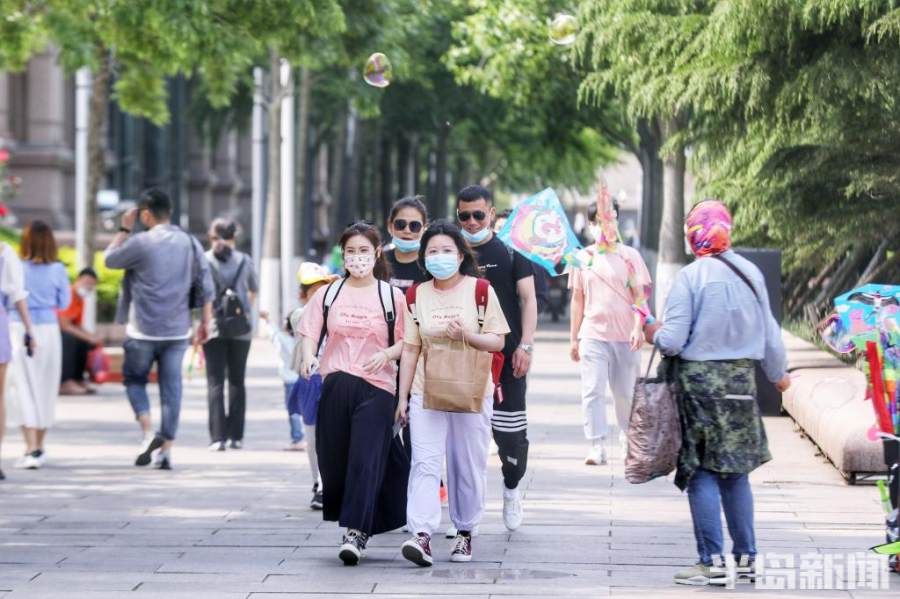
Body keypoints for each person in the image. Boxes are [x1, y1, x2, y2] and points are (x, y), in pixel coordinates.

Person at [643, 200, 790, 586]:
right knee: (736, 472)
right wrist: (779, 375)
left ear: (694, 233)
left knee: (702, 471)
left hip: (699, 387)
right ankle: (746, 558)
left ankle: (710, 561)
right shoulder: (751, 273)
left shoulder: (691, 278)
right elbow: (771, 332)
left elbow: (672, 342)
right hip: (741, 383)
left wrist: (652, 331)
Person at [397, 220, 509, 567]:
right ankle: (423, 535)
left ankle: (464, 533)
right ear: (423, 256)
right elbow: (411, 349)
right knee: (425, 463)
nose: (439, 256)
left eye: (446, 250)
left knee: (467, 464)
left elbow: (498, 341)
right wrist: (402, 398)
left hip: (471, 390)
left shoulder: (480, 290)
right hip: (425, 391)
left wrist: (467, 335)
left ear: (460, 255)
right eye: (432, 251)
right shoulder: (416, 295)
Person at [296, 222, 408, 566]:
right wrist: (308, 356)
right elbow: (309, 331)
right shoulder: (329, 294)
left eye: (363, 251)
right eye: (350, 251)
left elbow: (409, 341)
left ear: (376, 253)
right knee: (335, 460)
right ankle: (358, 516)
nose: (357, 258)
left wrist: (388, 355)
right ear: (341, 256)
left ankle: (356, 533)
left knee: (365, 458)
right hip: (335, 385)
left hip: (377, 388)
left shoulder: (392, 296)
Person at [105, 188, 214, 470]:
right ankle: (165, 451)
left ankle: (147, 431)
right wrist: (206, 322)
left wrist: (123, 228)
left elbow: (109, 259)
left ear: (145, 214)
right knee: (171, 389)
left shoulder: (140, 242)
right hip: (177, 330)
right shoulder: (190, 243)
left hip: (142, 329)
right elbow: (206, 285)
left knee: (134, 380)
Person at [455, 184, 537, 531]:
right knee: (463, 441)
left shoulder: (511, 250)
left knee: (510, 439)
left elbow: (528, 300)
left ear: (491, 212)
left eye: (478, 214)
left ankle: (512, 486)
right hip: (460, 359)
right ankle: (465, 513)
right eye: (464, 216)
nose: (471, 222)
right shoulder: (449, 250)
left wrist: (526, 346)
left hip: (506, 359)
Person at [569, 188, 651, 465]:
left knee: (625, 393)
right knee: (592, 391)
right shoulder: (583, 258)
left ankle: (628, 436)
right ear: (591, 224)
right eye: (602, 220)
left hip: (625, 336)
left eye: (613, 218)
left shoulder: (630, 257)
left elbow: (640, 298)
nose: (609, 224)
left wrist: (638, 327)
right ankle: (596, 444)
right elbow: (577, 300)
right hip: (593, 334)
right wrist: (573, 338)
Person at [6, 220, 70, 470]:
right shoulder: (58, 270)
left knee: (22, 387)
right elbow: (63, 303)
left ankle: (31, 447)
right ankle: (38, 447)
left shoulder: (17, 268)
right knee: (45, 386)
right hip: (49, 330)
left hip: (19, 328)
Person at [203, 218, 258, 451]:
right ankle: (236, 436)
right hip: (240, 329)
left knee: (215, 382)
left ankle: (217, 438)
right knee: (237, 381)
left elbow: (203, 295)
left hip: (213, 327)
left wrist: (205, 324)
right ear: (234, 237)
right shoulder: (244, 260)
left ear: (212, 236)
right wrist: (241, 311)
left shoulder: (205, 260)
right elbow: (254, 290)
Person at [0, 241, 34, 480]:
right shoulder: (4, 252)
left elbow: (18, 295)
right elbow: (17, 294)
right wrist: (29, 329)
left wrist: (29, 330)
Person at [58, 267, 102, 395]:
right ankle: (64, 381)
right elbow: (64, 325)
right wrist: (88, 337)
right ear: (78, 280)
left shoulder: (80, 299)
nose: (89, 287)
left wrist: (92, 337)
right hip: (56, 331)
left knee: (85, 342)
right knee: (70, 339)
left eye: (92, 285)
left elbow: (77, 324)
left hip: (67, 330)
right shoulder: (68, 294)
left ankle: (78, 378)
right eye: (87, 282)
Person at [385, 196, 429, 293]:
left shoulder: (431, 264)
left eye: (414, 226)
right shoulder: (378, 261)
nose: (407, 231)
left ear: (424, 229)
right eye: (400, 224)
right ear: (390, 227)